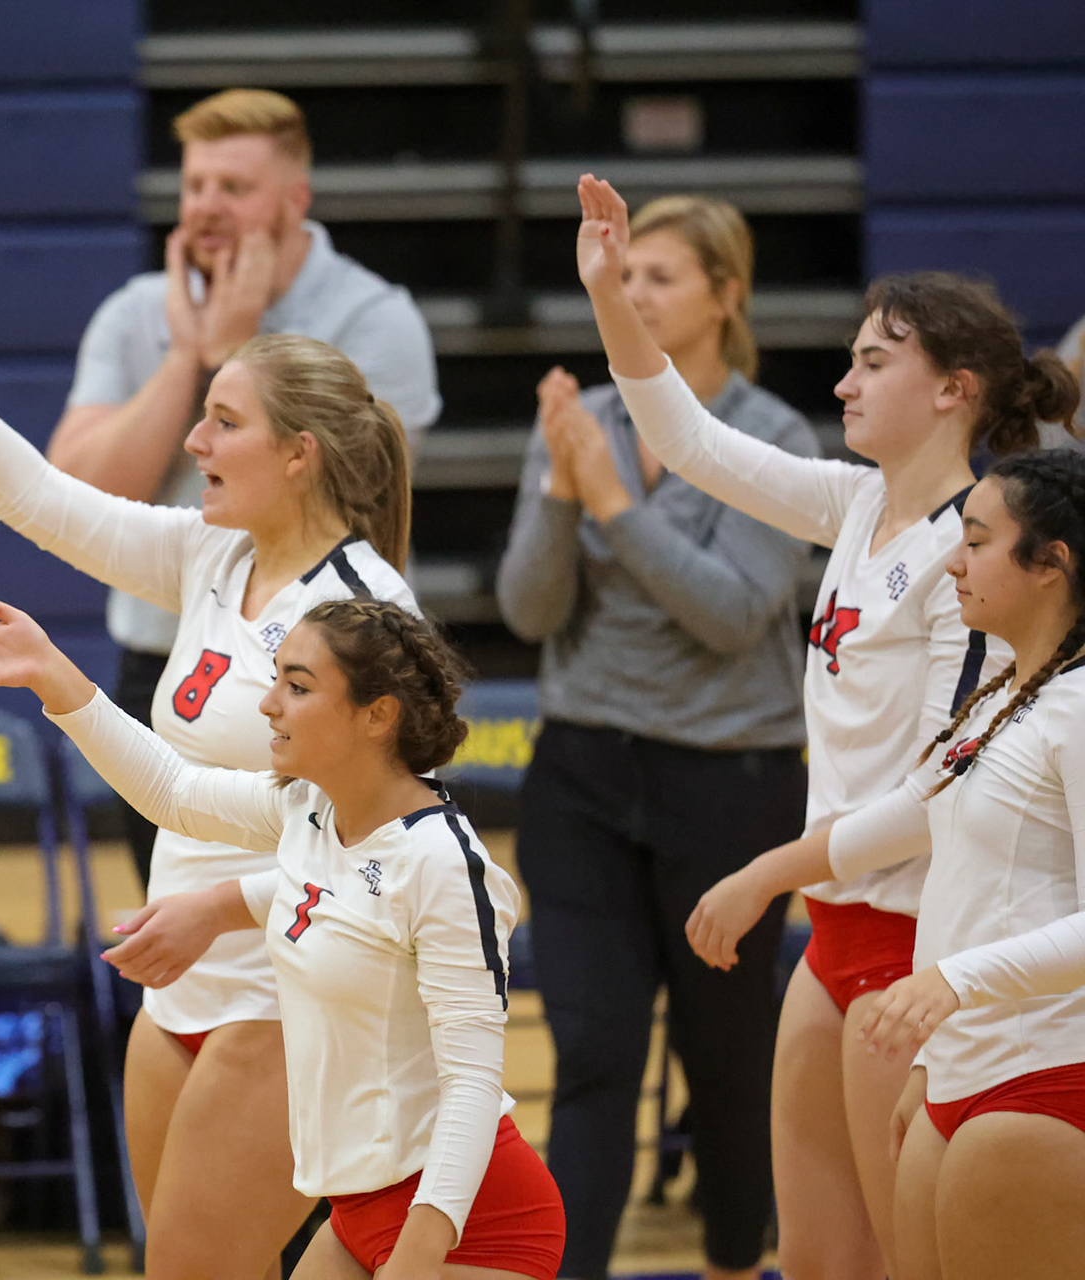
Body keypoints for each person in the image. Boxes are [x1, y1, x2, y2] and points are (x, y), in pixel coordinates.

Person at [575, 173, 1077, 1279]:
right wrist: (610, 292)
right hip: (832, 933)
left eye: (873, 361)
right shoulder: (854, 504)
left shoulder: (971, 556)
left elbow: (939, 797)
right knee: (810, 1259)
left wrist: (767, 868)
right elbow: (692, 441)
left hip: (912, 938)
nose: (843, 380)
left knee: (908, 1259)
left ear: (954, 389)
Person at [0, 256, 418, 1277]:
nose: (193, 440)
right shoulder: (211, 554)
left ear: (300, 454)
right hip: (176, 979)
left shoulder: (365, 610)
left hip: (287, 986)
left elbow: (342, 834)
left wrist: (68, 692)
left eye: (224, 420)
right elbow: (38, 499)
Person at [0, 596, 565, 1279]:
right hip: (357, 1212)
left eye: (298, 686)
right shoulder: (312, 812)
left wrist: (418, 1256)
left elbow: (471, 1085)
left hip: (471, 1224)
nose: (268, 704)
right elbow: (173, 789)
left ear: (378, 716)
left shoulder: (441, 864)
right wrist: (54, 677)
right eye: (277, 678)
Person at [493, 195, 817, 1280]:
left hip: (729, 788)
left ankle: (736, 1258)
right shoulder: (585, 415)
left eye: (660, 277)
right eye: (624, 280)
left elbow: (732, 614)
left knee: (724, 1059)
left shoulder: (773, 439)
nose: (632, 296)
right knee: (592, 1052)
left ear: (726, 296)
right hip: (582, 774)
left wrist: (615, 505)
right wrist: (557, 484)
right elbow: (530, 611)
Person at [688, 446, 1085, 1280]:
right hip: (958, 1069)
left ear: (1052, 565)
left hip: (1045, 1077)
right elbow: (910, 811)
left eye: (977, 542)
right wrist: (766, 875)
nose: (953, 561)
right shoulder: (1012, 691)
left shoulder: (1080, 709)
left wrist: (954, 981)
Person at [46, 87, 440, 892]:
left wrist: (240, 348)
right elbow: (80, 487)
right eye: (195, 187)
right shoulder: (134, 314)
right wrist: (190, 357)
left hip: (311, 668)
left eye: (235, 188)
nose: (207, 209)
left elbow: (358, 497)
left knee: (309, 904)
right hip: (160, 655)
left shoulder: (374, 318)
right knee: (175, 912)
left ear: (296, 199)